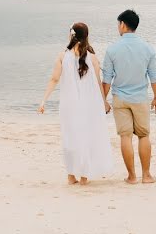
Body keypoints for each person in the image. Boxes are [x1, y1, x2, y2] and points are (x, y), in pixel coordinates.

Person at [37, 22, 113, 185]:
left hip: (69, 105)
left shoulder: (62, 56)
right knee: (86, 137)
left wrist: (44, 100)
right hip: (89, 105)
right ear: (87, 36)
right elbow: (98, 83)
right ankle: (84, 176)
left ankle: (71, 175)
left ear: (71, 35)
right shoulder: (92, 57)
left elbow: (54, 79)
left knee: (70, 137)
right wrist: (104, 102)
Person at [101, 9, 156, 184]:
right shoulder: (148, 48)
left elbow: (106, 80)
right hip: (141, 98)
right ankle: (147, 175)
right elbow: (154, 77)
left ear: (122, 24)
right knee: (143, 136)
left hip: (120, 98)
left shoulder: (112, 50)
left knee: (125, 137)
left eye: (118, 25)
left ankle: (132, 176)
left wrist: (102, 100)